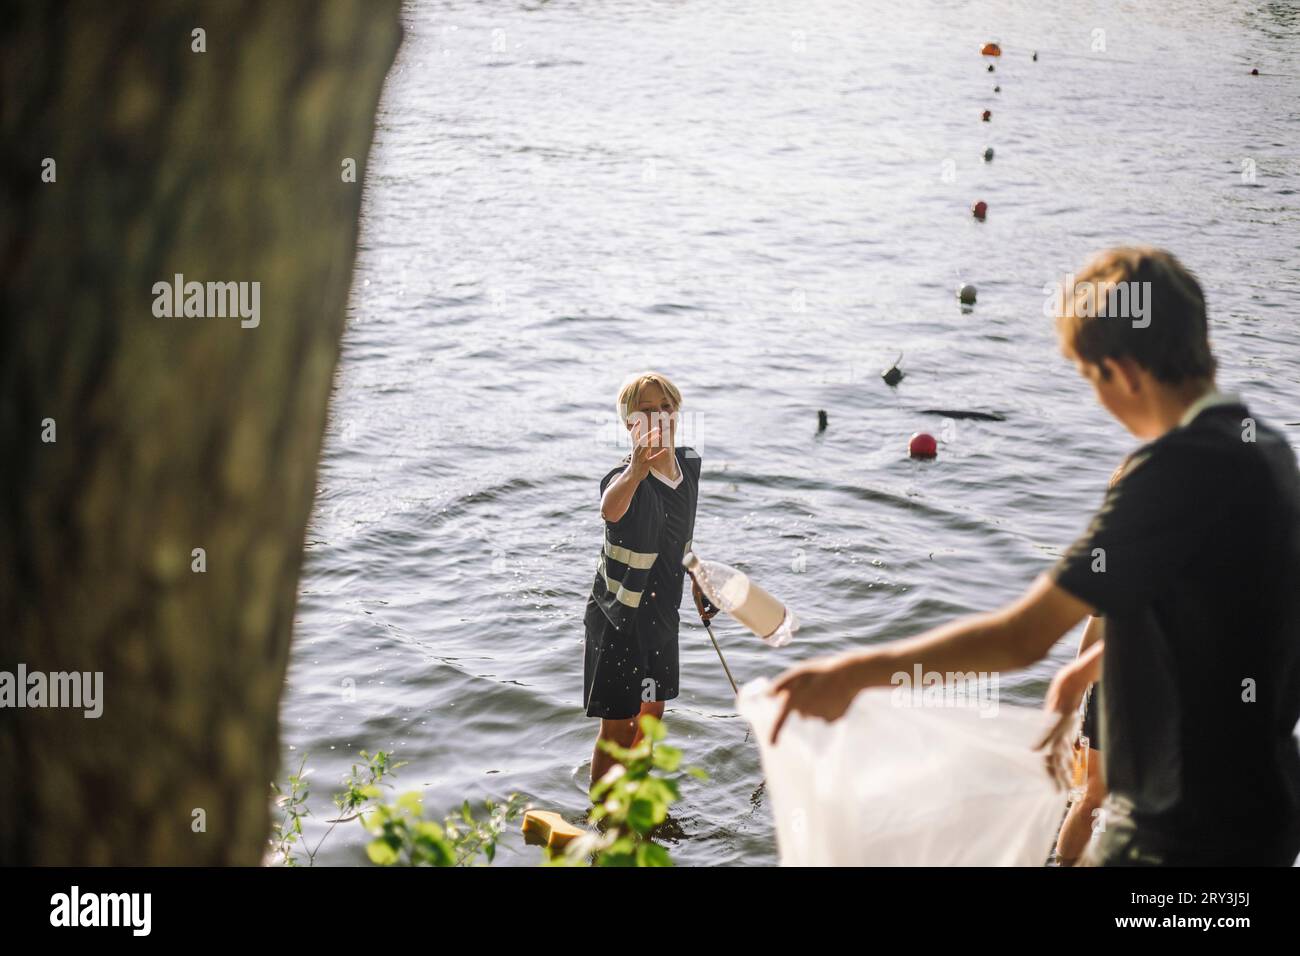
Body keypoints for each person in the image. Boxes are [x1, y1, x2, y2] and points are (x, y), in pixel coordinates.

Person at [769, 247, 1300, 866]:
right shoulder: (1269, 453)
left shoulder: (1167, 472)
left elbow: (1022, 637)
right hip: (1263, 815)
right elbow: (1208, 623)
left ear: (1124, 371)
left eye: (1091, 379)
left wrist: (849, 675)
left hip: (1174, 834)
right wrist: (1082, 674)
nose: (1099, 401)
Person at [583, 372, 716, 789]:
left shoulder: (688, 467)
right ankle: (602, 816)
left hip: (661, 617)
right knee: (618, 730)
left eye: (665, 407)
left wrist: (695, 574)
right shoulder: (623, 480)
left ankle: (636, 800)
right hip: (619, 623)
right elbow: (610, 509)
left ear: (676, 413)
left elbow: (680, 535)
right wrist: (636, 470)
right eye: (645, 410)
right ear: (630, 423)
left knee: (651, 718)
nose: (658, 416)